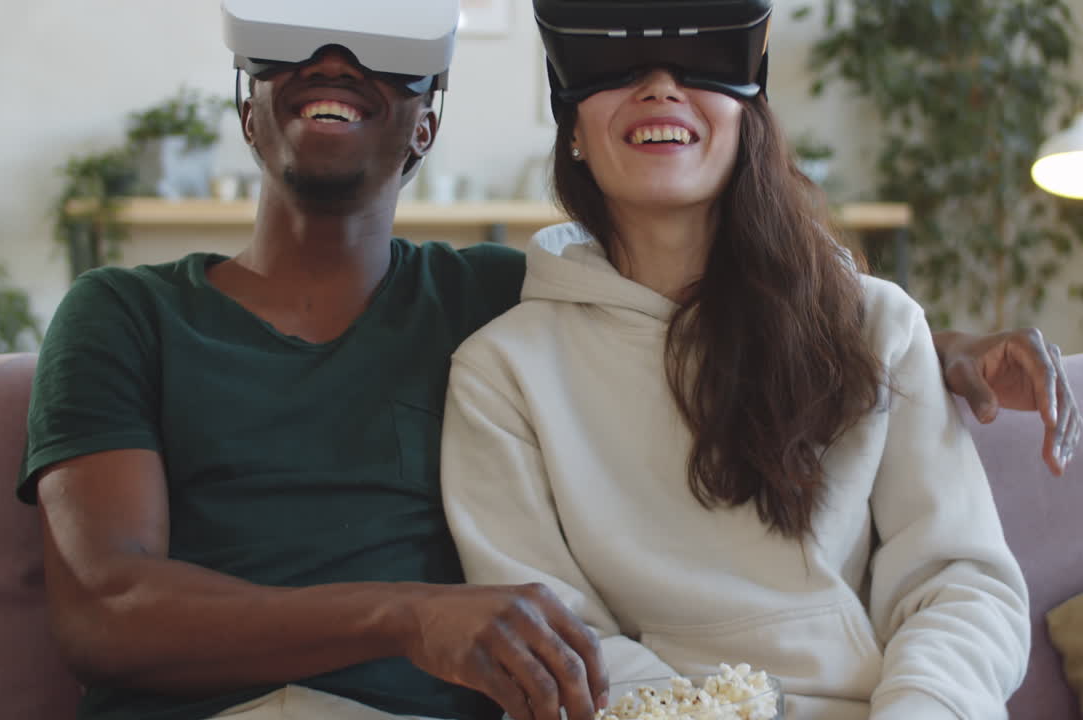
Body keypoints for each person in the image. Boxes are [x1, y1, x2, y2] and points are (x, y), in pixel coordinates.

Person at [20, 3, 1067, 719]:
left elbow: (708, 309)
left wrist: (931, 344)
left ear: (427, 121)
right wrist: (406, 611)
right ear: (244, 111)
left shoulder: (482, 300)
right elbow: (107, 611)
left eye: (373, 62)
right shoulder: (129, 315)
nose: (331, 71)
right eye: (293, 58)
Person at [441, 2, 1030, 719]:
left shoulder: (879, 326)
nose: (660, 88)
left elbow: (959, 585)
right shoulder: (501, 374)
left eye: (699, 63)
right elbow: (552, 638)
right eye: (617, 67)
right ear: (573, 132)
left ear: (751, 108)